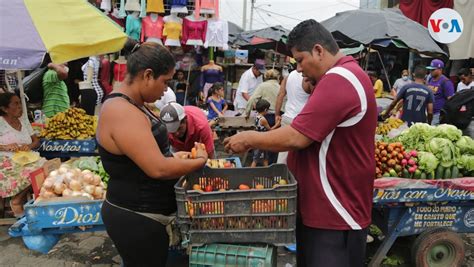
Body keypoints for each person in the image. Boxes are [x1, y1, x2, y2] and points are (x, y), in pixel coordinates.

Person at [224, 19, 376, 267]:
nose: (299, 69)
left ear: (319, 50)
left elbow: (296, 136)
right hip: (323, 210)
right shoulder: (338, 77)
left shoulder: (341, 78)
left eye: (301, 59)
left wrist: (249, 138)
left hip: (336, 211)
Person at [97, 42, 208, 266]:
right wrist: (199, 161)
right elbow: (157, 168)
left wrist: (175, 157)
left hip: (147, 214)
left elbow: (146, 155)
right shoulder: (121, 111)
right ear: (148, 75)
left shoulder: (136, 104)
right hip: (136, 217)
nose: (166, 90)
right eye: (165, 81)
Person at [0, 93, 41, 217]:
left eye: (20, 103)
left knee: (47, 167)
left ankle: (23, 200)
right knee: (32, 171)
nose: (20, 107)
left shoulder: (24, 120)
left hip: (27, 157)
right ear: (4, 109)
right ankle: (17, 201)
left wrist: (28, 146)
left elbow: (36, 141)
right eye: (15, 104)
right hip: (6, 160)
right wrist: (5, 146)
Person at [275, 70, 312, 163]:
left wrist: (277, 114)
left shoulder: (288, 76)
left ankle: (280, 174)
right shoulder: (308, 78)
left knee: (283, 151)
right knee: (301, 154)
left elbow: (280, 94)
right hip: (301, 120)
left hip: (287, 117)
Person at [250, 99, 279, 167]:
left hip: (258, 138)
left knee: (265, 157)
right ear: (265, 110)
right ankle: (250, 172)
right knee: (256, 159)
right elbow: (270, 129)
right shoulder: (263, 119)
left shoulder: (256, 116)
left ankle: (267, 171)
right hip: (261, 140)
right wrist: (277, 124)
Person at [426, 59, 455, 125]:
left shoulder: (446, 82)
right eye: (430, 69)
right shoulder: (430, 79)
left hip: (438, 114)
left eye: (433, 70)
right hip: (429, 113)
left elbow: (451, 99)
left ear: (440, 69)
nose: (431, 71)